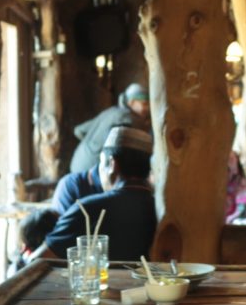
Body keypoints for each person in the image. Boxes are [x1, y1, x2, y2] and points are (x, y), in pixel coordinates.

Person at [33, 126, 157, 262]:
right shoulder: (160, 211)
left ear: (112, 165)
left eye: (101, 163)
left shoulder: (86, 209)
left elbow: (37, 263)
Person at [69, 82, 151, 173]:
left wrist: (93, 147)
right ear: (131, 102)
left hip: (76, 164)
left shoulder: (111, 111)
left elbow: (78, 130)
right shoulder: (128, 119)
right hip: (92, 170)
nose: (148, 108)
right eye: (144, 104)